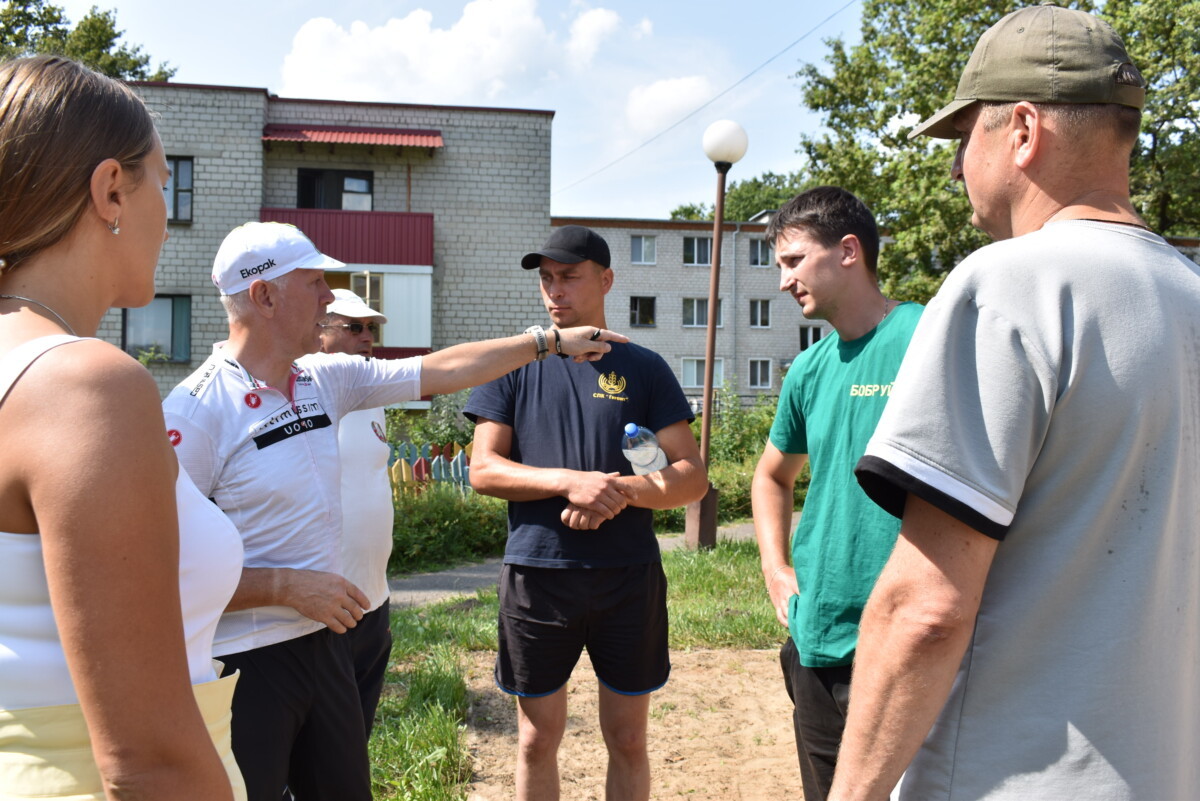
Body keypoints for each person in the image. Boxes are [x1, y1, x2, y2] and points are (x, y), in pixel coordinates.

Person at [827, 6, 1200, 800]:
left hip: (1013, 776)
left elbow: (926, 607)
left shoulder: (1010, 284)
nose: (957, 164)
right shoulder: (1189, 294)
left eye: (966, 138)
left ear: (1023, 130)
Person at [163, 220, 624, 801]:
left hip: (328, 642)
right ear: (265, 295)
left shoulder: (322, 379)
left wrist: (547, 343)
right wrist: (282, 586)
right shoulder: (194, 414)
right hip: (242, 662)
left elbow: (440, 369)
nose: (331, 297)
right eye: (315, 283)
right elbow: (162, 569)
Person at [0, 56, 244, 800]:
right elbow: (147, 760)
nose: (167, 216)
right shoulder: (85, 385)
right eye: (163, 185)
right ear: (112, 189)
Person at [465, 225, 708, 801]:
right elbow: (485, 470)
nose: (555, 291)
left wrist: (615, 492)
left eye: (569, 277)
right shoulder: (514, 365)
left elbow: (690, 477)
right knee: (534, 739)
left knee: (627, 740)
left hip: (627, 577)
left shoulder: (644, 368)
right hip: (537, 578)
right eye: (546, 279)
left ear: (605, 280)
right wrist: (568, 483)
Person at [750, 186, 922, 801]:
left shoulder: (926, 338)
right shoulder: (808, 368)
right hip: (818, 637)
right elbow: (772, 475)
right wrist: (776, 570)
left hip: (908, 640)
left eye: (793, 261)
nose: (782, 282)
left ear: (849, 251)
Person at [313, 288, 393, 735]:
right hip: (324, 608)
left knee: (355, 741)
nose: (367, 337)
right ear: (319, 332)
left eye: (372, 328)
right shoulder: (307, 394)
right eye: (354, 327)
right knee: (320, 748)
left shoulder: (372, 395)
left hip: (374, 602)